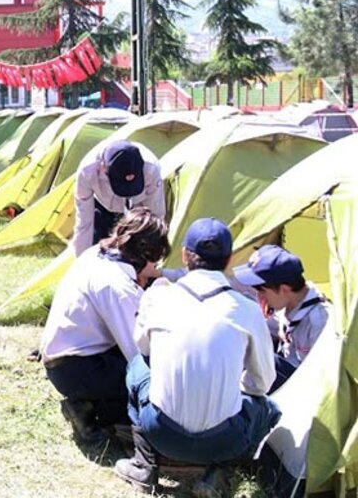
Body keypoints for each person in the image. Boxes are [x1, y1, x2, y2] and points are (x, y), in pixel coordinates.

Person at [115, 218, 279, 496]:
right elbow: (262, 384)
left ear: (183, 255)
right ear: (228, 260)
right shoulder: (247, 309)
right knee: (268, 409)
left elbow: (143, 348)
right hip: (223, 440)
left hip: (161, 432)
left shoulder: (159, 297)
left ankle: (144, 465)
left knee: (136, 367)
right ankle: (220, 472)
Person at [40, 207, 170, 445]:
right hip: (77, 368)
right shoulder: (118, 287)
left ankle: (89, 403)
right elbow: (137, 352)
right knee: (146, 385)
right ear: (145, 255)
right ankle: (91, 412)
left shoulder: (97, 253)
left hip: (64, 358)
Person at [232, 245, 330, 392]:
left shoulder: (320, 321)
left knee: (267, 361)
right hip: (284, 375)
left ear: (284, 289)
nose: (259, 296)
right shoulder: (286, 304)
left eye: (261, 290)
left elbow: (325, 379)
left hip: (304, 389)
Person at [72, 141, 165, 256]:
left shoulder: (151, 169)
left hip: (137, 208)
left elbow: (155, 217)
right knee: (96, 250)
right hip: (102, 206)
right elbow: (84, 223)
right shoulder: (87, 172)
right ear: (104, 168)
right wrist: (82, 260)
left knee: (136, 251)